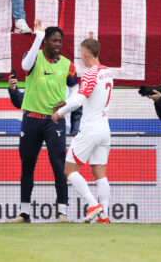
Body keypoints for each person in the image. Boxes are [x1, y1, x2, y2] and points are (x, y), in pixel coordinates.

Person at [10, 21, 77, 223]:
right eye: (54, 40)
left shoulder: (68, 65)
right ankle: (24, 214)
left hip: (55, 121)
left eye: (60, 41)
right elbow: (24, 66)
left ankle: (62, 212)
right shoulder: (33, 57)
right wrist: (37, 36)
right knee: (27, 165)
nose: (58, 44)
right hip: (31, 118)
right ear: (45, 41)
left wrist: (68, 102)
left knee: (58, 165)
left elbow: (76, 89)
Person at [52, 36, 113, 223]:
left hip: (90, 129)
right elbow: (85, 97)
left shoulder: (90, 74)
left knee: (69, 169)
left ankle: (93, 204)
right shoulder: (107, 72)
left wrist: (59, 112)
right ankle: (104, 215)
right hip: (104, 129)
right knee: (100, 173)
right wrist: (66, 102)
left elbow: (79, 100)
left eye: (81, 53)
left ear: (85, 54)